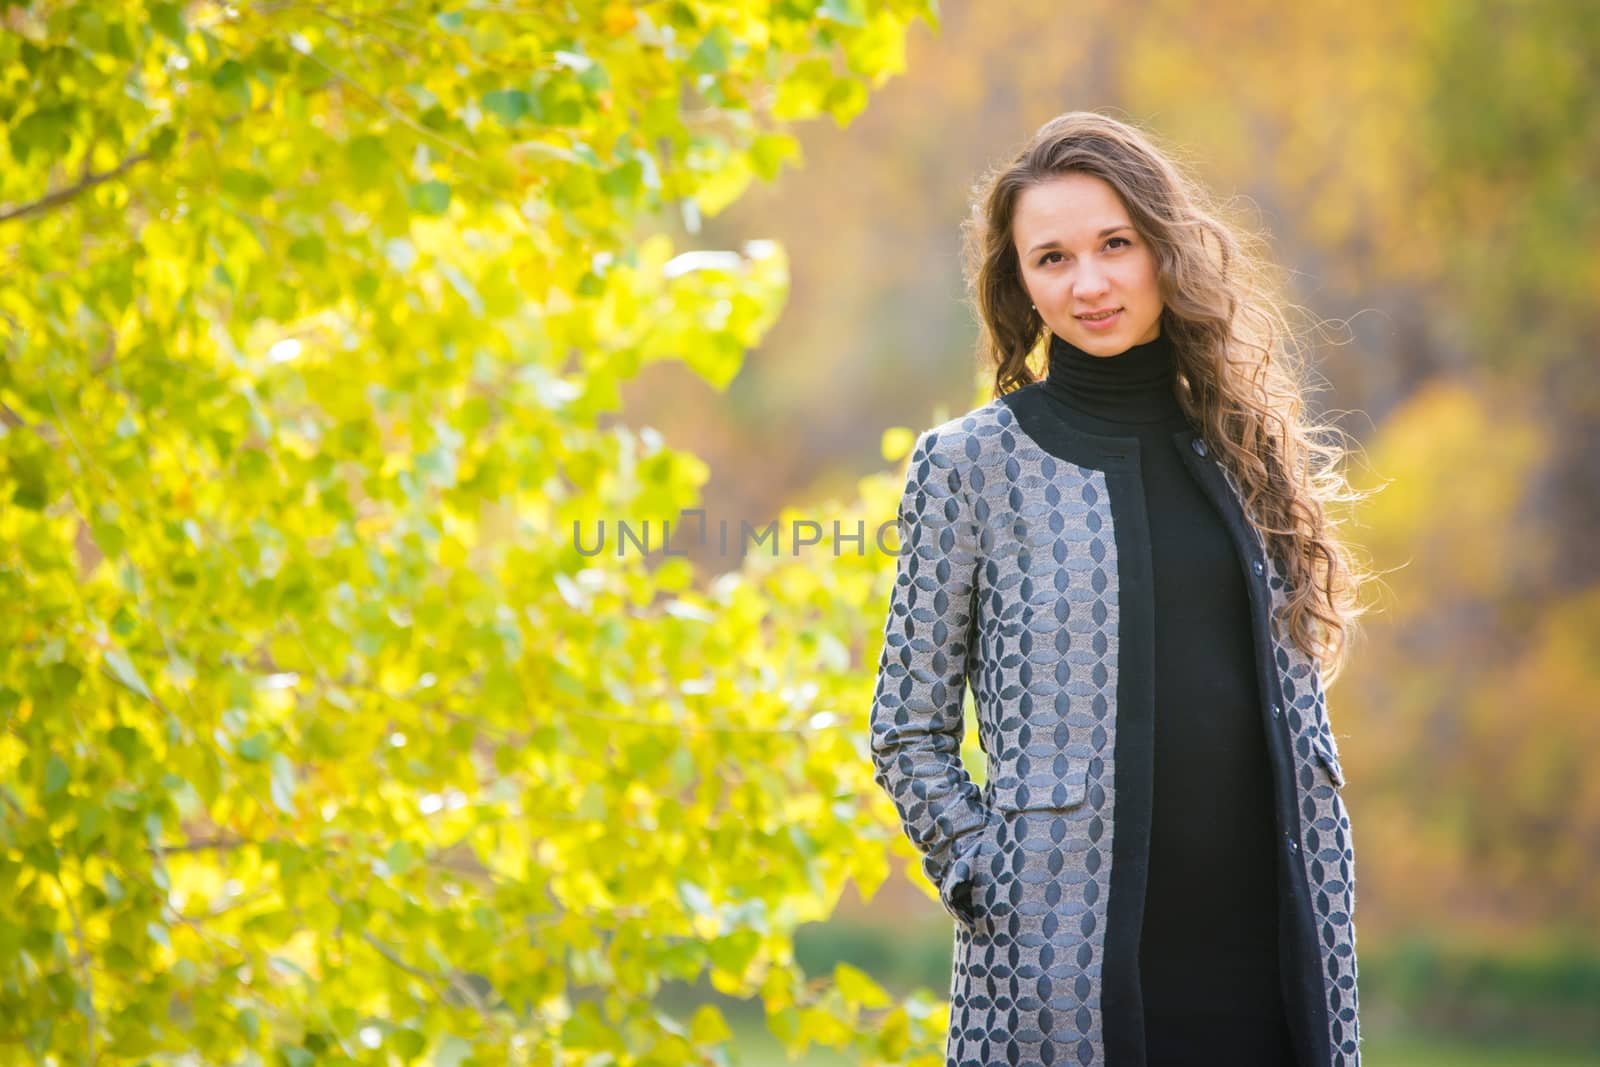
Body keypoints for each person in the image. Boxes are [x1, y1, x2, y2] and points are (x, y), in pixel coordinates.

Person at [868, 111, 1375, 1067]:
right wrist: (991, 877)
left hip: (1269, 939)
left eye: (1115, 245)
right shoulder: (971, 465)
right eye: (1052, 258)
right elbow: (906, 727)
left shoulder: (1244, 446)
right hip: (1059, 960)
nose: (1090, 283)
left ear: (1163, 248)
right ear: (1020, 284)